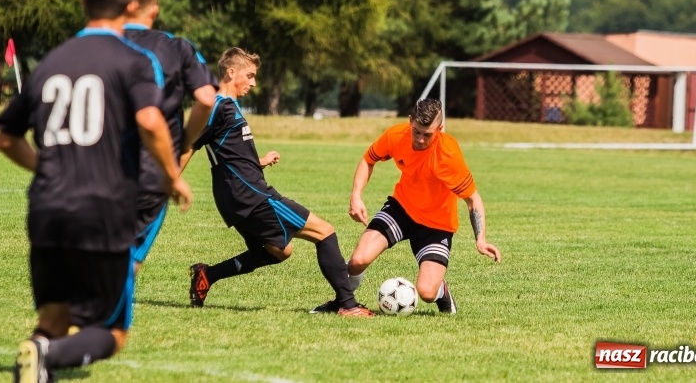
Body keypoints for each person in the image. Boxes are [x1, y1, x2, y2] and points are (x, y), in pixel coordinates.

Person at [0, 0, 193, 383]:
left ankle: (39, 355)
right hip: (102, 209)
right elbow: (150, 120)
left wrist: (45, 165)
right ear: (129, 8)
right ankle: (45, 354)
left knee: (52, 318)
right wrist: (173, 176)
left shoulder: (51, 61)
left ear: (83, 0)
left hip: (47, 207)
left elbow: (7, 139)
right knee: (113, 333)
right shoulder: (134, 61)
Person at [182, 47, 374, 317]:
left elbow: (226, 152)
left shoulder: (227, 106)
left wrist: (257, 161)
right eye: (249, 75)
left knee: (279, 251)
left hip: (239, 197)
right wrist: (167, 180)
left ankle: (207, 275)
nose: (253, 83)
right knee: (325, 232)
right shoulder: (216, 107)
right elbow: (187, 145)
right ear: (231, 72)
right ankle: (348, 304)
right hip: (253, 196)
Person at [314, 98, 501, 315]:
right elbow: (368, 160)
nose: (420, 139)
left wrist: (480, 239)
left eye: (427, 134)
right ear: (410, 121)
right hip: (401, 209)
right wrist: (356, 196)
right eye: (417, 132)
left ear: (440, 129)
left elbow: (473, 200)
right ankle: (344, 302)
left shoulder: (448, 156)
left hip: (436, 225)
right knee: (357, 261)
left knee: (426, 292)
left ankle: (442, 290)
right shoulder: (397, 136)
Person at [122, 0, 217, 272]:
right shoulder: (177, 47)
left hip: (94, 164)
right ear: (153, 10)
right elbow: (205, 98)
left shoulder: (94, 43)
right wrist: (186, 141)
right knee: (128, 259)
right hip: (152, 170)